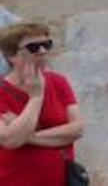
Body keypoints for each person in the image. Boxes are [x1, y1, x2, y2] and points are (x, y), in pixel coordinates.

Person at [0, 21, 84, 184]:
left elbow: (77, 129)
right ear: (12, 56)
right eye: (34, 47)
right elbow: (10, 141)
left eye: (47, 45)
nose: (42, 51)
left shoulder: (58, 82)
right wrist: (36, 97)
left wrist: (27, 136)